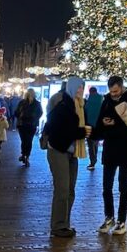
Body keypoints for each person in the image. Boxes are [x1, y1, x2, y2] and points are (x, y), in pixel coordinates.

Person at [91, 75, 127, 236]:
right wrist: (98, 129)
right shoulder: (107, 101)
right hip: (110, 147)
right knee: (107, 186)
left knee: (123, 185)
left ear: (122, 87)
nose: (114, 94)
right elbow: (99, 124)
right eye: (111, 92)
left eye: (116, 91)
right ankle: (109, 216)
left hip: (125, 147)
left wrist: (120, 128)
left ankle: (121, 221)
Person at [43, 86, 86, 238]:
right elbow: (58, 128)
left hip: (73, 151)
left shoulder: (80, 105)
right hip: (58, 149)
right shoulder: (62, 104)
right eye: (79, 87)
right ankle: (58, 225)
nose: (81, 91)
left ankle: (65, 223)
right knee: (62, 189)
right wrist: (82, 132)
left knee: (70, 189)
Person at [16, 89, 43, 166]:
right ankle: (27, 156)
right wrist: (35, 119)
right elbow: (40, 113)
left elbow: (16, 112)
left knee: (24, 140)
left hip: (22, 124)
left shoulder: (22, 103)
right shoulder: (37, 103)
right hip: (32, 125)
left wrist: (20, 116)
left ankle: (24, 154)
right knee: (29, 140)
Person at [83, 86, 103, 171]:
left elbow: (85, 112)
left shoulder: (88, 101)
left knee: (91, 145)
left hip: (89, 126)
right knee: (95, 143)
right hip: (98, 126)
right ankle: (94, 159)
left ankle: (92, 161)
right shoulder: (101, 99)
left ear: (90, 92)